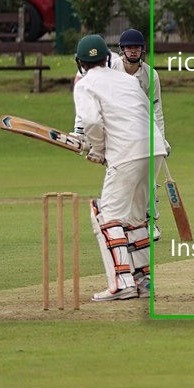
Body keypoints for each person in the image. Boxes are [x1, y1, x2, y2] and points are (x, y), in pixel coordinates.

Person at [72, 34, 168, 300]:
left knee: (106, 216)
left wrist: (99, 149)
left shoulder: (84, 84)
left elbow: (91, 121)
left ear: (80, 62)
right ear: (107, 57)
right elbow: (143, 111)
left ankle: (120, 283)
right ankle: (142, 280)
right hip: (155, 147)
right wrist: (103, 149)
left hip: (126, 153)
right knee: (136, 218)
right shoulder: (127, 80)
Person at [112, 29, 169, 240]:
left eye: (136, 47)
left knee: (147, 180)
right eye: (129, 47)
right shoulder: (112, 69)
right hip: (117, 129)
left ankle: (150, 223)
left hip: (142, 130)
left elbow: (157, 110)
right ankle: (121, 224)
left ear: (142, 50)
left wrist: (160, 140)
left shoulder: (150, 75)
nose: (133, 51)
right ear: (122, 50)